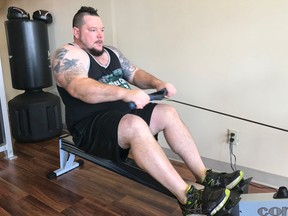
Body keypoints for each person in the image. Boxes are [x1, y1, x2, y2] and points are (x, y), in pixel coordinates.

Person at [52, 6, 244, 215]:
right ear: (76, 32)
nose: (99, 36)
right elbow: (78, 87)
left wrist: (157, 82)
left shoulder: (111, 52)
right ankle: (188, 198)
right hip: (91, 126)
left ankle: (204, 175)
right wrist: (124, 93)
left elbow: (135, 74)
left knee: (167, 113)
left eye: (102, 29)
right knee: (135, 125)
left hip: (123, 115)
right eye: (92, 30)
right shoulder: (68, 54)